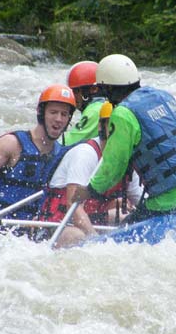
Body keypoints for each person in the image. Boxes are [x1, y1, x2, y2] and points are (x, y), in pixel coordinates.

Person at [72, 54, 176, 222]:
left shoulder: (123, 114)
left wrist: (90, 190)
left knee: (129, 226)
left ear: (108, 88)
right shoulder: (162, 96)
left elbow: (114, 166)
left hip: (175, 200)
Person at [37, 101, 144, 248]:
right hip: (58, 225)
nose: (118, 132)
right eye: (112, 126)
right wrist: (97, 242)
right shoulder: (85, 154)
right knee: (78, 236)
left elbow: (142, 204)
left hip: (92, 220)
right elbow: (74, 209)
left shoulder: (125, 160)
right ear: (101, 127)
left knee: (128, 217)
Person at [0, 84, 76, 220]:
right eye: (53, 112)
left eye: (64, 114)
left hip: (34, 230)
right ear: (41, 112)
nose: (59, 119)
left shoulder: (62, 155)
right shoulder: (13, 144)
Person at [62, 61, 106, 145]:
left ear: (94, 89)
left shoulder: (95, 111)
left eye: (76, 91)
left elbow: (67, 143)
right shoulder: (103, 105)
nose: (73, 96)